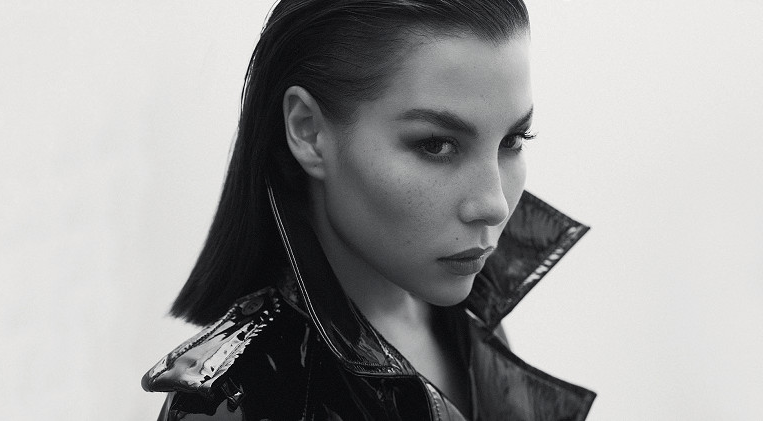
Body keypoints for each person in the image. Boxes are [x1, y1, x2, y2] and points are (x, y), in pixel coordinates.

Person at [141, 0, 596, 419]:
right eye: (436, 144)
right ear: (308, 131)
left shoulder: (463, 307)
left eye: (513, 140)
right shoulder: (237, 398)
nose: (494, 205)